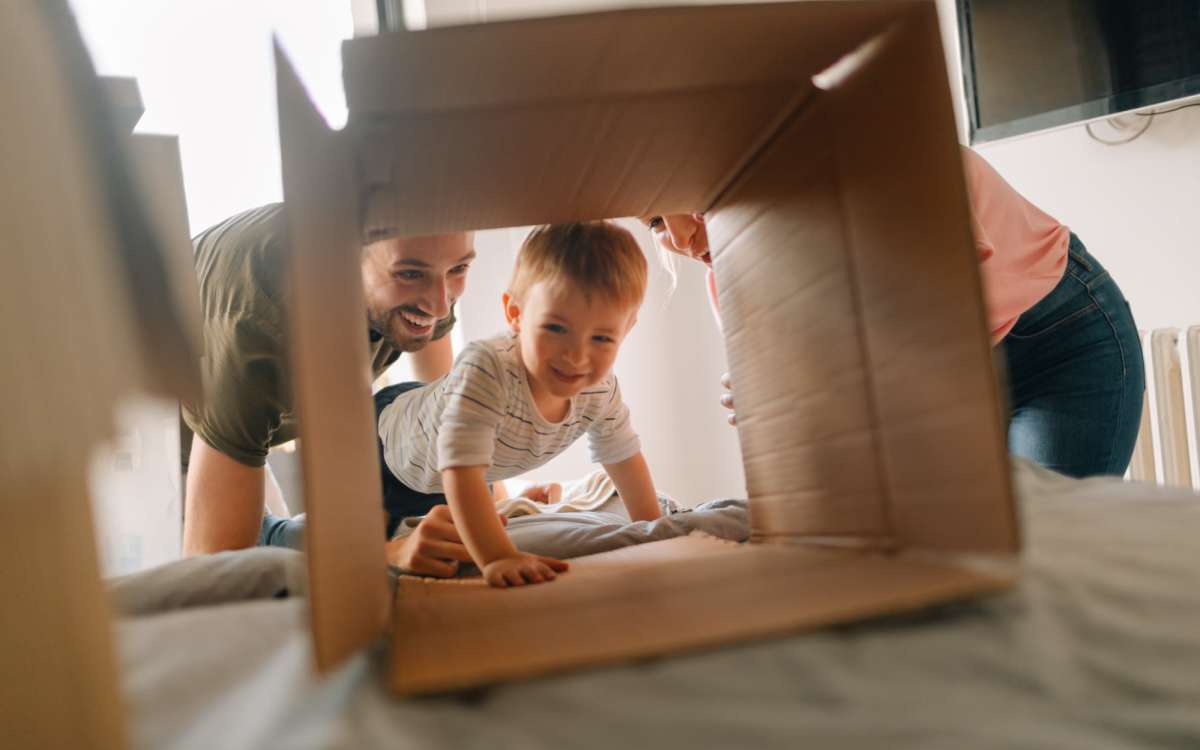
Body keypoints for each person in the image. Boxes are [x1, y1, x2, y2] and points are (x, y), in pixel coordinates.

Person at [643, 146, 1144, 479]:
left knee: (1045, 549)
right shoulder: (733, 284)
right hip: (948, 383)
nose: (681, 239)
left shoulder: (856, 152)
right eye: (655, 223)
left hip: (1057, 340)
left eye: (690, 204)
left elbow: (935, 296)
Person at [181, 203, 509, 574]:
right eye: (409, 273)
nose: (439, 305)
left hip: (237, 431)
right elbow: (213, 569)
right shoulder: (262, 327)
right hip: (155, 454)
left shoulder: (428, 264)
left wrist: (495, 502)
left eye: (459, 269)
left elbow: (450, 421)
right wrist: (388, 555)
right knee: (253, 569)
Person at [375, 221, 662, 587]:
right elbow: (462, 472)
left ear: (628, 327)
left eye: (602, 338)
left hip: (448, 469)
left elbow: (624, 457)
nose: (576, 356)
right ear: (515, 313)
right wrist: (499, 557)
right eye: (555, 328)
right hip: (385, 447)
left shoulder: (600, 390)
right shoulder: (487, 369)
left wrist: (655, 531)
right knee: (364, 549)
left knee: (458, 516)